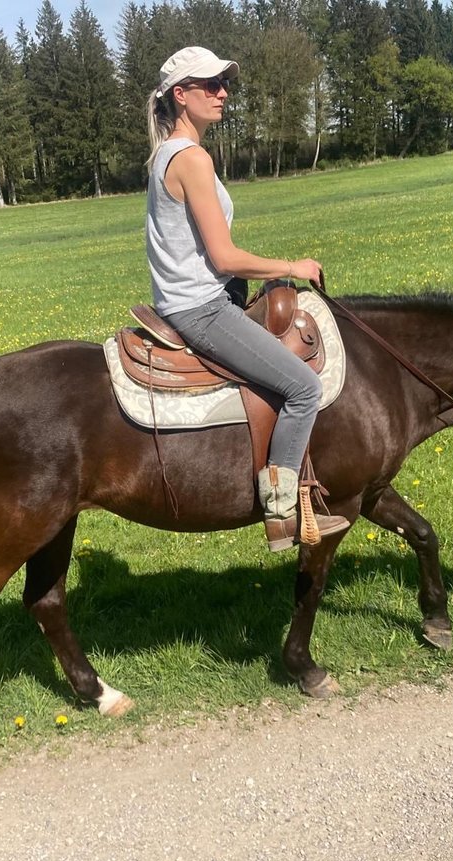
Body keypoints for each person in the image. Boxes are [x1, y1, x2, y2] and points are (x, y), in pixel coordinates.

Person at [145, 46, 350, 552]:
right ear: (181, 95)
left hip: (191, 301)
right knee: (303, 388)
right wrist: (292, 267)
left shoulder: (170, 153)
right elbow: (225, 256)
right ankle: (281, 514)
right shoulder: (190, 158)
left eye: (224, 84)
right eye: (209, 85)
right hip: (202, 308)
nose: (222, 93)